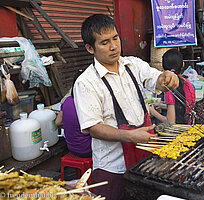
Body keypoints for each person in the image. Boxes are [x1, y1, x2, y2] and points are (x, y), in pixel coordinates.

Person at [73, 14, 179, 199]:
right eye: (104, 42)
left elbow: (157, 80)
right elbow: (93, 127)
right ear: (90, 48)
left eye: (115, 38)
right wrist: (129, 136)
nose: (114, 46)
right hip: (112, 167)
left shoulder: (133, 64)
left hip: (146, 156)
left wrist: (167, 77)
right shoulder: (86, 83)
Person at [149, 49, 195, 124]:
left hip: (178, 132)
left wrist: (152, 111)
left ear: (163, 68)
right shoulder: (189, 84)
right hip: (189, 127)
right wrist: (160, 105)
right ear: (183, 65)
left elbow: (171, 121)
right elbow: (182, 107)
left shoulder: (169, 88)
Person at [55, 70, 92, 158]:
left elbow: (58, 122)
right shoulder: (88, 103)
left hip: (71, 148)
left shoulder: (67, 101)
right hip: (88, 149)